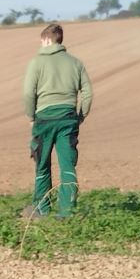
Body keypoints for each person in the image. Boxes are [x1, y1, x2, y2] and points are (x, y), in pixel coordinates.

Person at [22, 23, 93, 218]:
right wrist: (81, 115)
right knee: (68, 165)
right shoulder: (75, 63)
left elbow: (28, 93)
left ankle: (42, 209)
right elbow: (87, 92)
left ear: (45, 40)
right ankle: (67, 211)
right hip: (68, 117)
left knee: (42, 164)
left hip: (44, 118)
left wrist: (31, 117)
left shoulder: (36, 62)